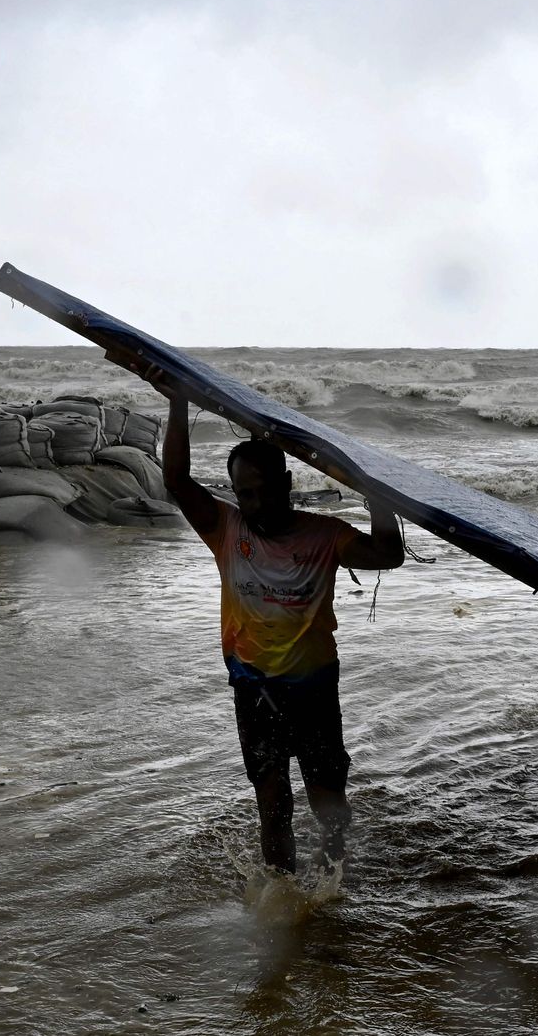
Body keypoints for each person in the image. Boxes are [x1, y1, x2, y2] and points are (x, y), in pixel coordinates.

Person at [145, 367, 404, 875]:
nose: (255, 503)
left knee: (329, 806)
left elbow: (387, 554)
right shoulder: (226, 528)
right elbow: (176, 481)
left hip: (313, 690)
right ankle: (285, 901)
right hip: (254, 687)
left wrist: (375, 493)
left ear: (287, 483)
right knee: (272, 806)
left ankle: (330, 890)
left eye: (264, 490)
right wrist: (177, 403)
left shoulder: (323, 535)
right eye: (244, 493)